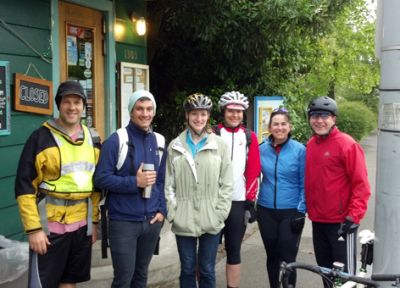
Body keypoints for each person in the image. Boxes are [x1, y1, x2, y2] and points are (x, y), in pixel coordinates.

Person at [15, 80, 101, 288]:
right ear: (59, 105)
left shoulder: (94, 139)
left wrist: (94, 223)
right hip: (49, 228)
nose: (72, 107)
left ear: (83, 107)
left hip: (81, 226)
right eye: (67, 102)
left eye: (77, 102)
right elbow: (25, 186)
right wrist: (34, 229)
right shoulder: (40, 138)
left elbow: (96, 187)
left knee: (69, 282)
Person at [94, 90, 167, 288]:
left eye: (149, 109)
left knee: (141, 276)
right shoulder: (116, 140)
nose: (145, 114)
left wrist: (162, 211)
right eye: (140, 109)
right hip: (123, 221)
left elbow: (161, 181)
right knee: (123, 279)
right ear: (131, 111)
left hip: (151, 221)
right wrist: (134, 183)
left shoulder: (159, 141)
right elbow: (100, 179)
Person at [164, 93, 233, 288]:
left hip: (212, 217)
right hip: (183, 218)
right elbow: (169, 184)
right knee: (187, 268)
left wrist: (220, 213)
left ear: (208, 116)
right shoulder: (175, 146)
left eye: (203, 114)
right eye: (194, 113)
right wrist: (173, 213)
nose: (199, 118)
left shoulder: (219, 145)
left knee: (207, 269)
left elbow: (227, 184)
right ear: (187, 115)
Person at [305, 96, 371, 288]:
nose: (319, 120)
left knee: (345, 277)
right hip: (318, 221)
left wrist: (354, 217)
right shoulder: (311, 145)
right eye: (314, 115)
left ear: (334, 119)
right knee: (325, 271)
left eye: (324, 115)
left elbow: (361, 185)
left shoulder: (347, 144)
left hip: (342, 223)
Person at [214, 91, 261, 288]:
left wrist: (250, 202)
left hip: (238, 202)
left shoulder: (249, 137)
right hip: (213, 202)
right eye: (231, 111)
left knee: (234, 251)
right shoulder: (212, 133)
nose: (235, 115)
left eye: (239, 112)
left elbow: (254, 171)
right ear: (223, 111)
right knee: (206, 252)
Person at [256, 107, 306, 288]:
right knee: (272, 255)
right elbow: (252, 176)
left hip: (291, 211)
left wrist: (301, 210)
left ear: (290, 126)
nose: (279, 127)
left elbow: (304, 183)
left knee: (288, 257)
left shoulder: (300, 150)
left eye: (283, 124)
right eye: (275, 124)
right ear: (269, 128)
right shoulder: (261, 149)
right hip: (265, 210)